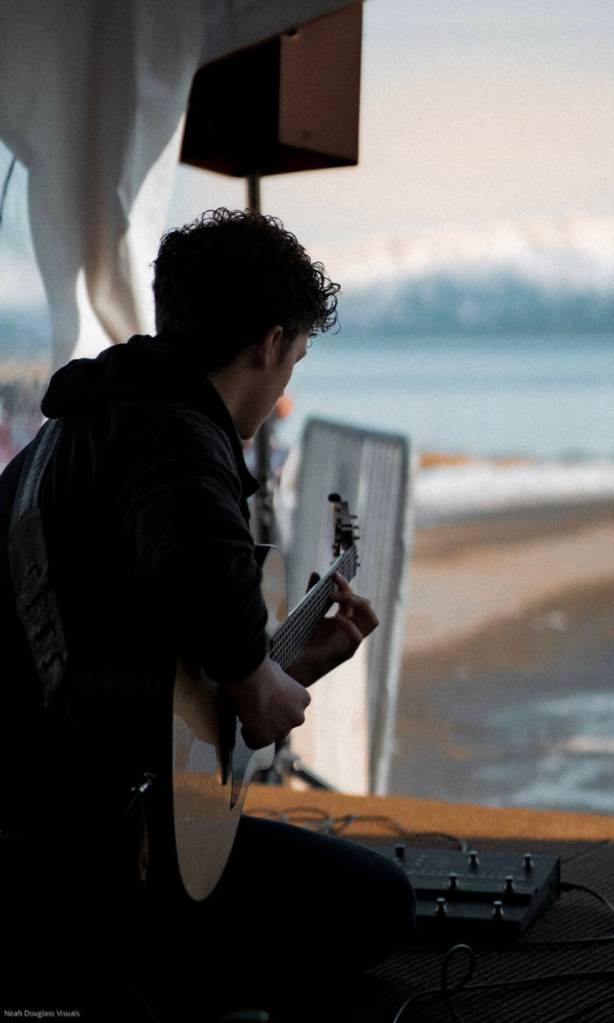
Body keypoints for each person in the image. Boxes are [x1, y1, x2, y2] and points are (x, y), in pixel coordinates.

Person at [0, 209, 415, 1021]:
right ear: (268, 344)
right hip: (71, 844)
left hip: (44, 798)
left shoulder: (87, 419)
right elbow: (214, 608)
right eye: (293, 359)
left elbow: (152, 677)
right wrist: (265, 684)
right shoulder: (179, 440)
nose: (285, 383)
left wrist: (287, 661)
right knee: (378, 903)